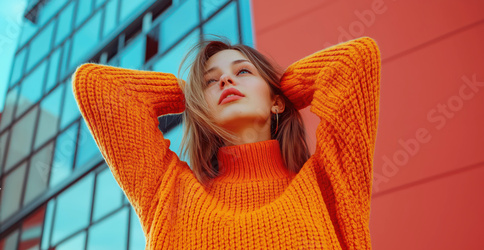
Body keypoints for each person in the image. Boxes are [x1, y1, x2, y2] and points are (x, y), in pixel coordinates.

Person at [72, 36, 381, 249]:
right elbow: (98, 86)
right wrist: (192, 96)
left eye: (242, 71)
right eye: (210, 81)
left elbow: (355, 61)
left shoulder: (328, 184)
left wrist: (283, 88)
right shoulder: (169, 192)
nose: (225, 81)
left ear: (276, 102)